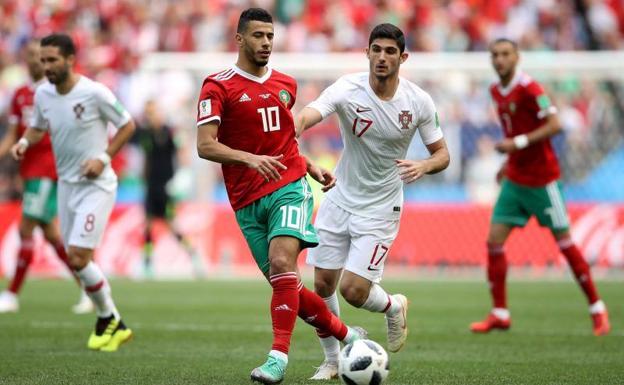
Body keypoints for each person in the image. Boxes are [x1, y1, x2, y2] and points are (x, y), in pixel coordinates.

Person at [196, 8, 366, 384]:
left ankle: (278, 359)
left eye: (270, 36)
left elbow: (284, 143)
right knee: (285, 281)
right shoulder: (217, 86)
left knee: (281, 261)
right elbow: (205, 146)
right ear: (240, 39)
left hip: (289, 188)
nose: (266, 43)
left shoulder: (285, 84)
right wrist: (249, 159)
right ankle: (348, 335)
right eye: (258, 36)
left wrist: (306, 165)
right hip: (245, 199)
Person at [295, 23, 450, 379]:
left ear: (402, 57)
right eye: (376, 50)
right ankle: (334, 359)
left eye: (390, 51)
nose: (382, 57)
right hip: (339, 196)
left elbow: (443, 154)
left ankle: (393, 305)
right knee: (321, 286)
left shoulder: (418, 101)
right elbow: (311, 112)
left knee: (353, 290)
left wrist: (424, 164)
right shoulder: (348, 88)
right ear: (367, 53)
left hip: (381, 206)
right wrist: (297, 124)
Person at [469, 38, 610, 335]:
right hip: (516, 179)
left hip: (543, 180)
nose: (499, 60)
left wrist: (517, 144)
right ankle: (500, 313)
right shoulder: (496, 90)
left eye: (505, 54)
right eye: (494, 55)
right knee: (494, 241)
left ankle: (597, 308)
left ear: (517, 57)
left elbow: (556, 125)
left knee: (566, 244)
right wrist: (508, 163)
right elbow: (513, 129)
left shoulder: (531, 88)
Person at [11, 33, 136, 351]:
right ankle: (113, 321)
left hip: (96, 184)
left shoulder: (94, 93)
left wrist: (104, 158)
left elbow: (127, 125)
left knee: (79, 256)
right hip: (66, 184)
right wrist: (25, 142)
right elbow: (38, 126)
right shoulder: (43, 95)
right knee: (75, 257)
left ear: (70, 60)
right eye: (43, 59)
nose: (46, 66)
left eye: (52, 60)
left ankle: (107, 318)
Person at [0, 39, 92, 315]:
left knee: (26, 228)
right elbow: (13, 135)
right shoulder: (20, 95)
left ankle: (11, 294)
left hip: (48, 169)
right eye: (30, 54)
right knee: (52, 235)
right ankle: (89, 287)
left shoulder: (57, 93)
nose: (35, 60)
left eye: (40, 57)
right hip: (29, 170)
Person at [135, 100, 201, 278]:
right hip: (151, 186)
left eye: (153, 112)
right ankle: (147, 265)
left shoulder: (170, 132)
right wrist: (143, 178)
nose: (150, 116)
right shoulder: (145, 134)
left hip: (167, 186)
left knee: (172, 226)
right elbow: (147, 158)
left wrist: (184, 174)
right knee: (148, 226)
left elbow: (182, 151)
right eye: (147, 113)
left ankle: (194, 256)